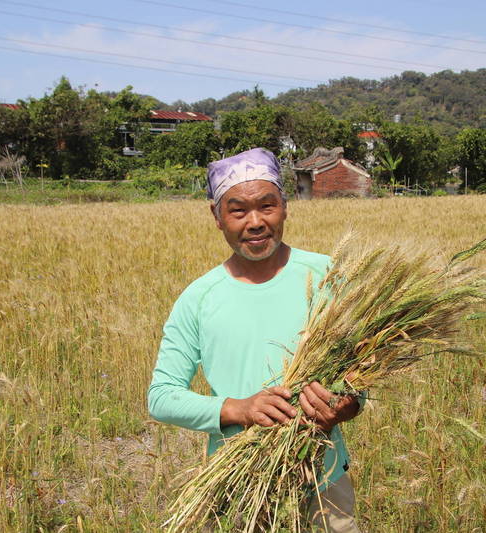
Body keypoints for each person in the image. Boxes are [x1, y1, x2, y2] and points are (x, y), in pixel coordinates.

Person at [147, 147, 362, 531]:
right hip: (240, 486)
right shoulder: (199, 298)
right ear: (216, 216)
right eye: (238, 210)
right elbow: (161, 397)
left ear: (285, 206)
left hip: (324, 480)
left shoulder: (329, 275)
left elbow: (363, 365)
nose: (255, 222)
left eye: (267, 206)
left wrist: (347, 405)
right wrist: (238, 409)